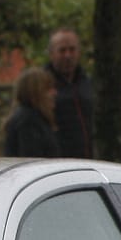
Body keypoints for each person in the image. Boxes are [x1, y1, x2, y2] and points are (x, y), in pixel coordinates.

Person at [45, 29, 97, 159]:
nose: (68, 55)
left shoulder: (88, 82)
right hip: (56, 162)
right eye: (62, 50)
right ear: (51, 54)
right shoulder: (43, 84)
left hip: (87, 159)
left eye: (72, 50)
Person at [2, 67, 61, 158]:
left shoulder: (35, 117)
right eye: (48, 89)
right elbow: (31, 159)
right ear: (35, 93)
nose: (55, 93)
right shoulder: (28, 122)